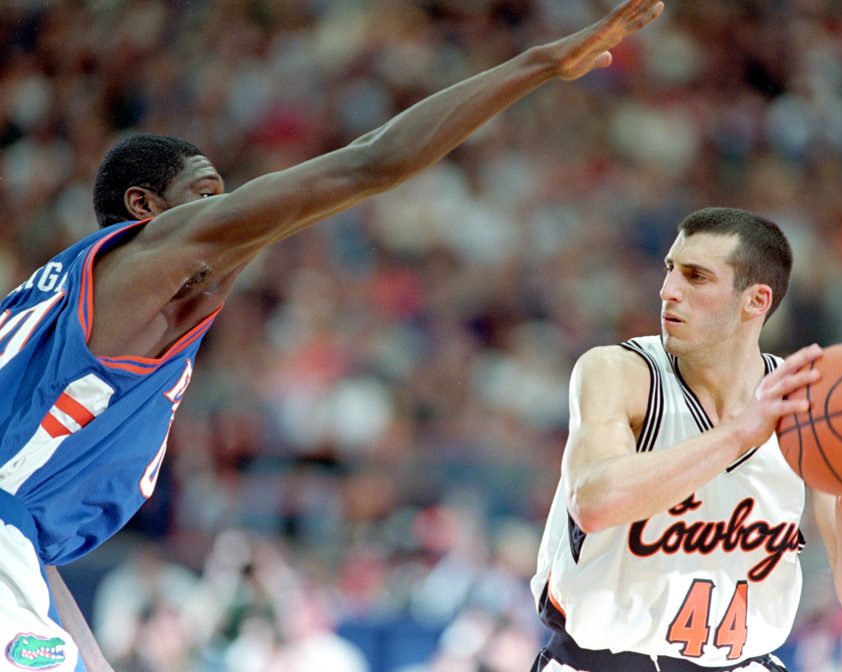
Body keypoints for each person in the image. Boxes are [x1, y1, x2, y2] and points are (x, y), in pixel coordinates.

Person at [0, 2, 665, 670]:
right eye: (208, 194)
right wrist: (541, 63)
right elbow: (372, 161)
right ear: (146, 209)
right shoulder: (154, 254)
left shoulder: (63, 303)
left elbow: (27, 540)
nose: (233, 216)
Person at [530, 208, 842, 672]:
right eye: (670, 270)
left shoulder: (802, 402)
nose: (668, 290)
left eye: (696, 277)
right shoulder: (620, 372)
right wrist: (738, 433)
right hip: (603, 663)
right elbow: (593, 502)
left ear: (755, 301)